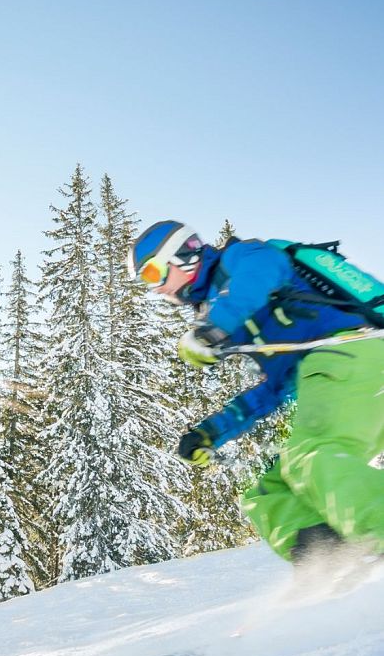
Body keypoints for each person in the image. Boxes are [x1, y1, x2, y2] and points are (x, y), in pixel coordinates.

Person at [128, 220, 384, 562]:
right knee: (270, 490)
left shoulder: (240, 258)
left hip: (354, 352)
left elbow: (265, 269)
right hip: (333, 374)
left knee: (313, 454)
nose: (155, 289)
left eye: (152, 274)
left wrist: (214, 330)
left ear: (180, 254)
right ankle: (329, 566)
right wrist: (211, 432)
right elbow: (274, 389)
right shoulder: (236, 312)